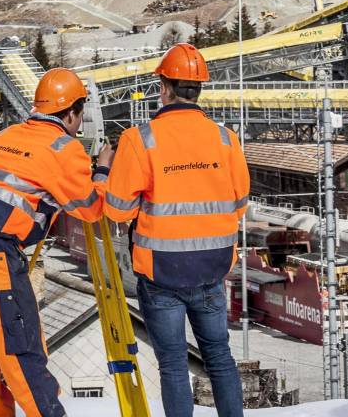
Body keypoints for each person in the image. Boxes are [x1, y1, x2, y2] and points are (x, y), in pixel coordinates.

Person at [0, 67, 114, 417]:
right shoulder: (63, 147)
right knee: (20, 353)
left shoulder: (8, 134)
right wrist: (103, 170)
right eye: (79, 116)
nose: (79, 125)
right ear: (71, 112)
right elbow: (92, 208)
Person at [103, 43, 249, 417]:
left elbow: (117, 209)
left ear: (164, 89)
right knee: (219, 356)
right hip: (212, 269)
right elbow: (240, 203)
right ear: (198, 89)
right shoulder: (225, 139)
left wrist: (103, 172)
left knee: (172, 365)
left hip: (162, 271)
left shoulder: (140, 140)